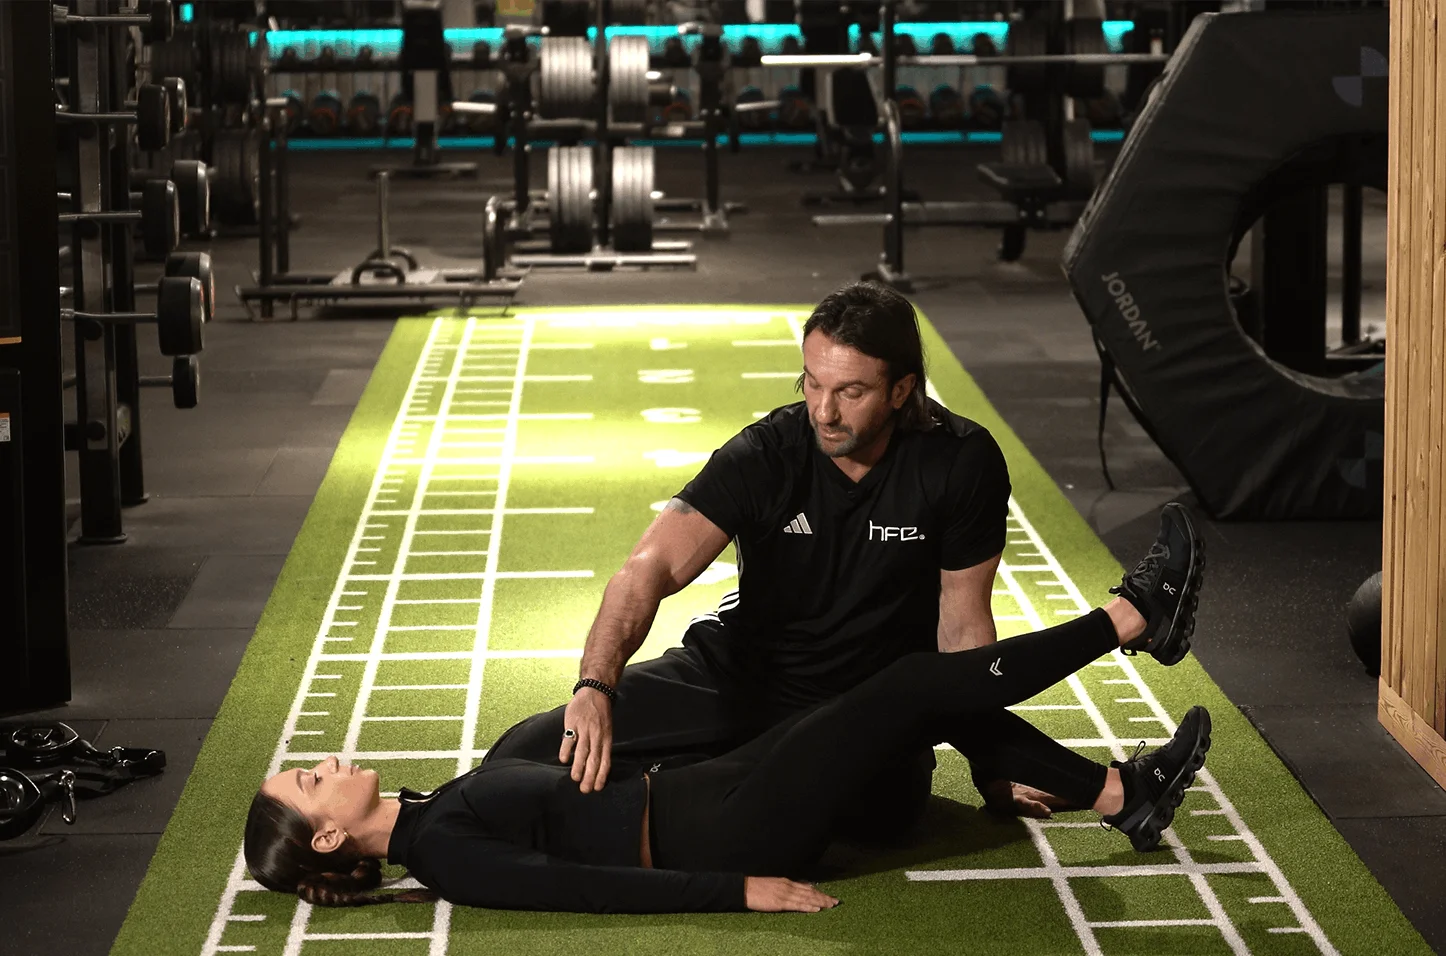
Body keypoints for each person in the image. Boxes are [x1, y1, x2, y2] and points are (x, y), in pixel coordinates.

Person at [242, 506, 1210, 913]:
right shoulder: (443, 850)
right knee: (913, 684)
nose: (321, 760)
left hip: (710, 789)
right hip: (725, 825)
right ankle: (1130, 618)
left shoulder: (436, 810)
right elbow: (585, 889)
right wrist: (746, 888)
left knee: (900, 691)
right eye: (308, 780)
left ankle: (1125, 790)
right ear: (329, 839)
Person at [486, 281, 1064, 826]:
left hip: (862, 705)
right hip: (740, 678)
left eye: (850, 391)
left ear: (902, 389)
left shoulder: (961, 462)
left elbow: (964, 632)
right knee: (529, 750)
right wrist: (595, 686)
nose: (824, 411)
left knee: (884, 816)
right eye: (812, 383)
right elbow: (648, 568)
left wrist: (994, 768)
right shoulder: (766, 454)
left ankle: (698, 780)